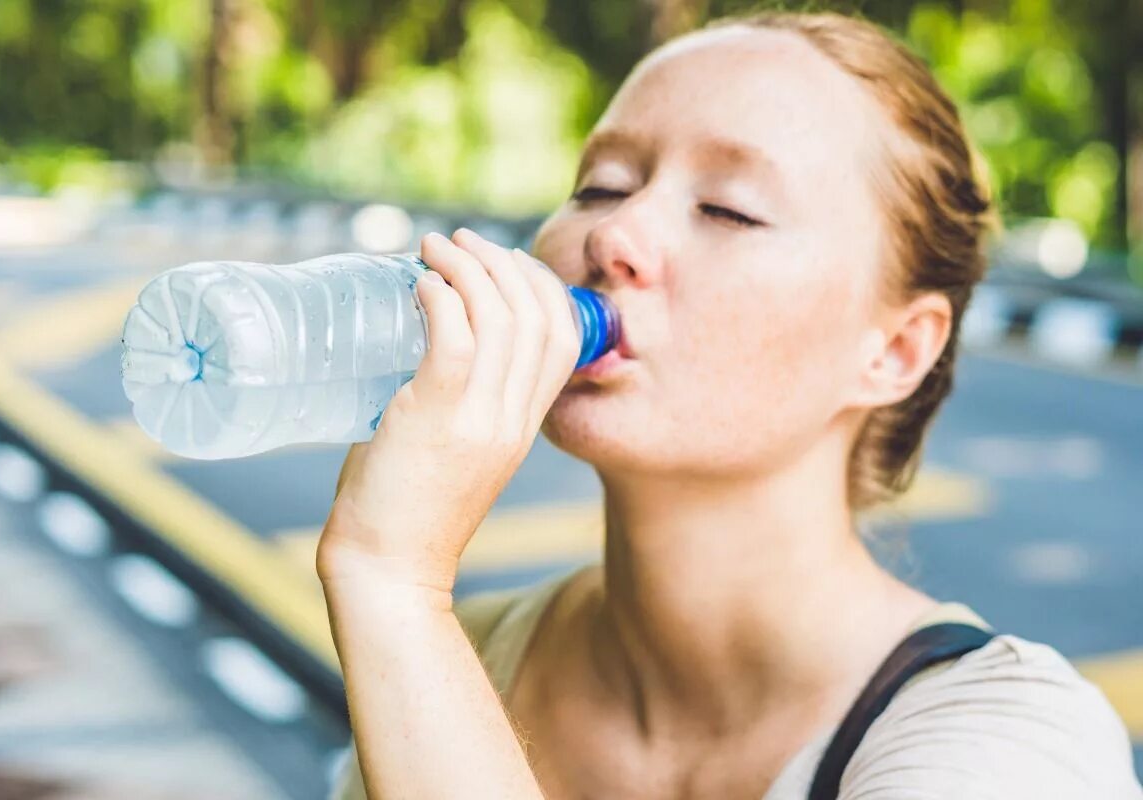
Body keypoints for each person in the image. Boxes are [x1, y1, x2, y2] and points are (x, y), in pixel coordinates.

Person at [319, 10, 1142, 799]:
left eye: (728, 209)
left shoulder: (1007, 744)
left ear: (894, 350)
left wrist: (392, 583)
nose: (614, 236)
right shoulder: (467, 654)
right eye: (601, 186)